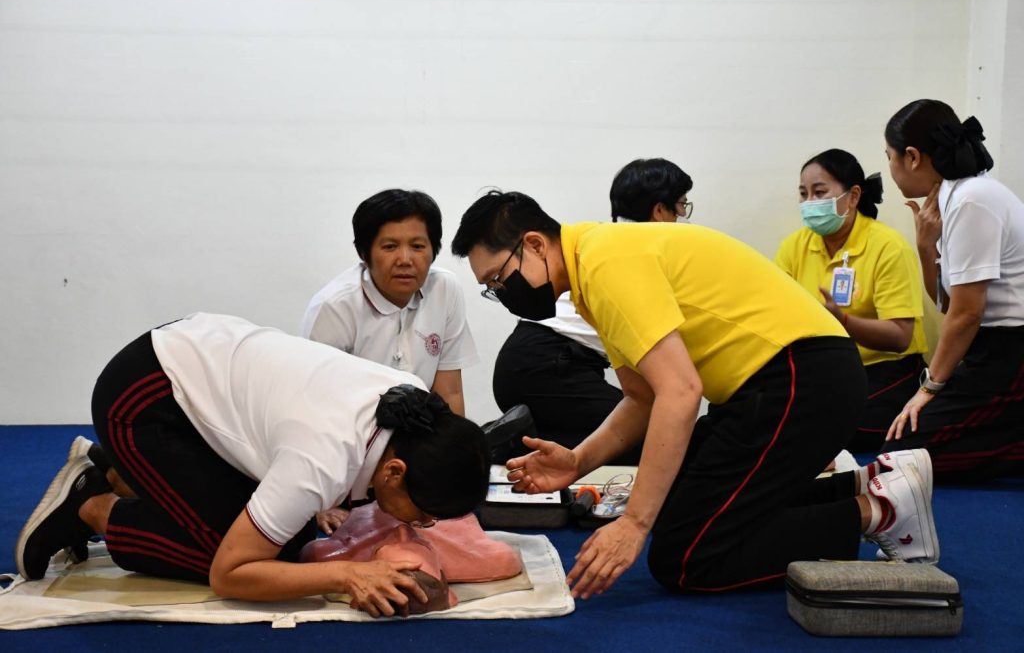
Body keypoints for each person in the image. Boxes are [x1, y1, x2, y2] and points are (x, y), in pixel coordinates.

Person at [450, 190, 939, 599]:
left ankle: (877, 513)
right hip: (786, 380)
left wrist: (633, 525)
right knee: (680, 506)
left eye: (499, 278)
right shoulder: (593, 268)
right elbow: (641, 399)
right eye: (491, 288)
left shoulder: (604, 262)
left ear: (535, 244)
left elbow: (681, 393)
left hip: (801, 379)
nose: (502, 293)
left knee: (687, 559)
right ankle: (866, 487)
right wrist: (578, 462)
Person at [15, 313, 490, 617]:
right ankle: (94, 506)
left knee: (291, 537)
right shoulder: (321, 460)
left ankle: (125, 474)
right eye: (422, 515)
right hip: (141, 399)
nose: (420, 526)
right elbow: (230, 575)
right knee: (265, 561)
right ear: (394, 472)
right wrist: (348, 575)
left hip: (191, 361)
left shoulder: (414, 406)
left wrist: (317, 503)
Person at [491, 159, 692, 463]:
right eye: (681, 206)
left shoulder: (605, 241)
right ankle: (496, 449)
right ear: (659, 210)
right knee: (656, 437)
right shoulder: (635, 251)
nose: (683, 217)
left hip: (532, 359)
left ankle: (510, 446)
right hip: (549, 362)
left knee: (579, 449)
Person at [884, 99, 1024, 480]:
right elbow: (948, 304)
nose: (891, 168)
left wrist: (928, 389)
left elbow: (967, 313)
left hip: (1010, 350)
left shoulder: (971, 198)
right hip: (988, 347)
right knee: (901, 448)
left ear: (912, 157)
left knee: (902, 457)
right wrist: (926, 247)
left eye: (890, 157)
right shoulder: (952, 198)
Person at [775, 149, 928, 452]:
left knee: (835, 425)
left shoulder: (888, 247)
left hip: (884, 369)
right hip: (822, 368)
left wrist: (842, 321)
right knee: (764, 409)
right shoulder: (795, 246)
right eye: (804, 194)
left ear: (854, 195)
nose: (810, 202)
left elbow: (900, 337)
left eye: (819, 192)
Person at [301, 189, 477, 417]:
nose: (405, 260)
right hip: (349, 428)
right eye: (390, 247)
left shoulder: (444, 289)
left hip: (421, 429)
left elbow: (449, 393)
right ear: (364, 254)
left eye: (417, 246)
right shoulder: (334, 307)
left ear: (433, 250)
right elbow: (321, 404)